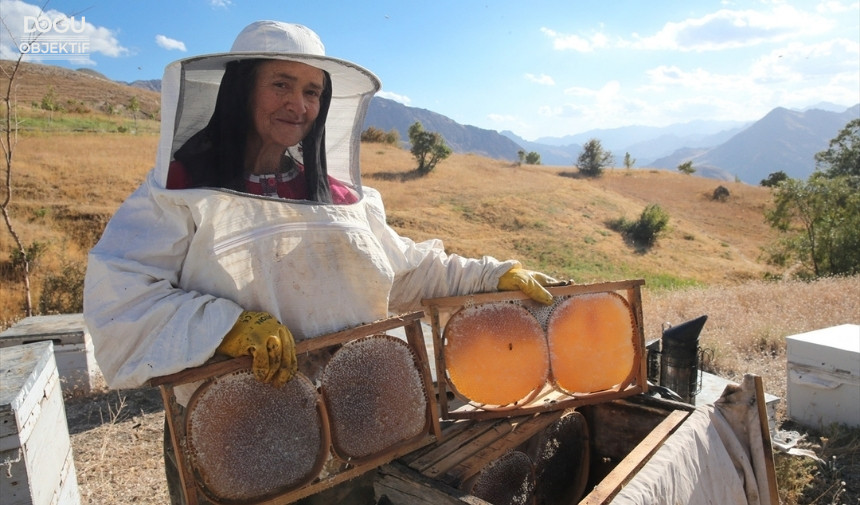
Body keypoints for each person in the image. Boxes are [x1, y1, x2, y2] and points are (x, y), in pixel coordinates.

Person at [83, 20, 561, 505]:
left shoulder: (337, 195)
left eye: (312, 91)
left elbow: (402, 268)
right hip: (235, 432)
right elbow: (121, 293)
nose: (300, 104)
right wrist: (225, 328)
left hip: (351, 420)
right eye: (281, 85)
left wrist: (492, 273)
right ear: (242, 90)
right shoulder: (181, 187)